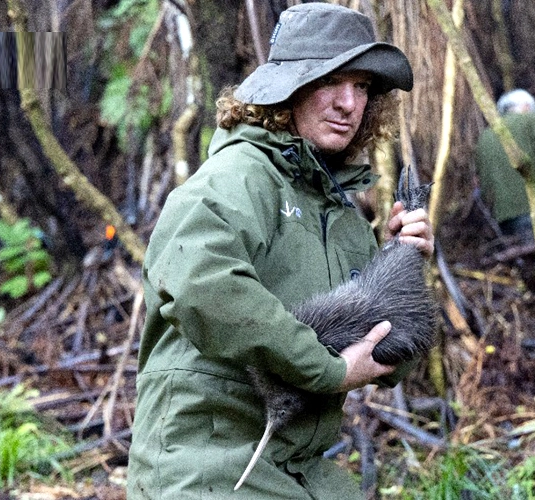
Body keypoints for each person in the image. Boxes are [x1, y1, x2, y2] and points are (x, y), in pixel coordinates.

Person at [127, 4, 434, 499]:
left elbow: (391, 361)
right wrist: (328, 371)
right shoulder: (237, 177)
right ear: (286, 90)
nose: (348, 104)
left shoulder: (344, 217)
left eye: (361, 87)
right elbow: (201, 287)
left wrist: (402, 260)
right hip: (207, 463)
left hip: (298, 468)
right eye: (331, 81)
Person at [474, 88, 535, 244]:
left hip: (505, 225)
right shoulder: (532, 120)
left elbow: (484, 189)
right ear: (526, 107)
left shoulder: (485, 136)